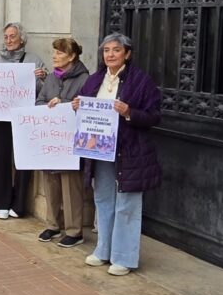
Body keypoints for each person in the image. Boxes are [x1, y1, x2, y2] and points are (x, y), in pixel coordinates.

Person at [74, 33, 161, 276]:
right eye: (106, 51)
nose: (110, 55)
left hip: (131, 150)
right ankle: (103, 250)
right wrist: (76, 107)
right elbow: (84, 110)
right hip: (100, 150)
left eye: (116, 50)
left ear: (127, 54)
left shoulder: (141, 81)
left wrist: (129, 112)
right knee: (103, 200)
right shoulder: (94, 80)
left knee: (128, 204)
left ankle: (123, 257)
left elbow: (154, 116)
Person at [0, 22, 48, 219]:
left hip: (24, 118)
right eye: (6, 37)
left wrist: (42, 78)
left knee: (23, 160)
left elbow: (43, 91)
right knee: (0, 158)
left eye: (13, 36)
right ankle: (0, 201)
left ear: (22, 38)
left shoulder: (34, 60)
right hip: (1, 118)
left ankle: (19, 204)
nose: (9, 40)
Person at [35, 38, 92, 248]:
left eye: (59, 53)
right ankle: (52, 224)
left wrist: (64, 104)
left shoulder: (85, 78)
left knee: (71, 186)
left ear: (72, 56)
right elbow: (40, 100)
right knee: (50, 183)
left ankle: (74, 230)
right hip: (50, 139)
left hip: (71, 141)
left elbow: (86, 106)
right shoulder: (51, 78)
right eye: (55, 52)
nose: (54, 56)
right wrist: (47, 105)